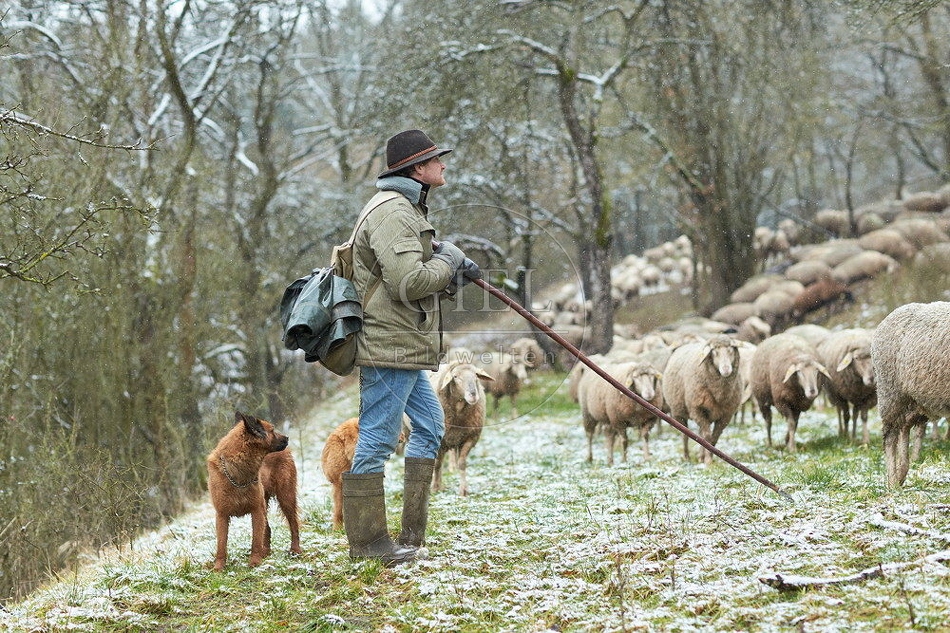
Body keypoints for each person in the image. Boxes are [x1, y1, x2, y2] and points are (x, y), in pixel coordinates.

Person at [342, 129, 481, 565]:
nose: (443, 165)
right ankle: (367, 546)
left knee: (432, 428)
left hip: (404, 344)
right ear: (417, 169)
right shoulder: (393, 213)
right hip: (389, 347)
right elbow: (408, 283)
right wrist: (451, 258)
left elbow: (405, 277)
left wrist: (447, 268)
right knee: (379, 440)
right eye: (437, 159)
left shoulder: (405, 210)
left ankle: (411, 535)